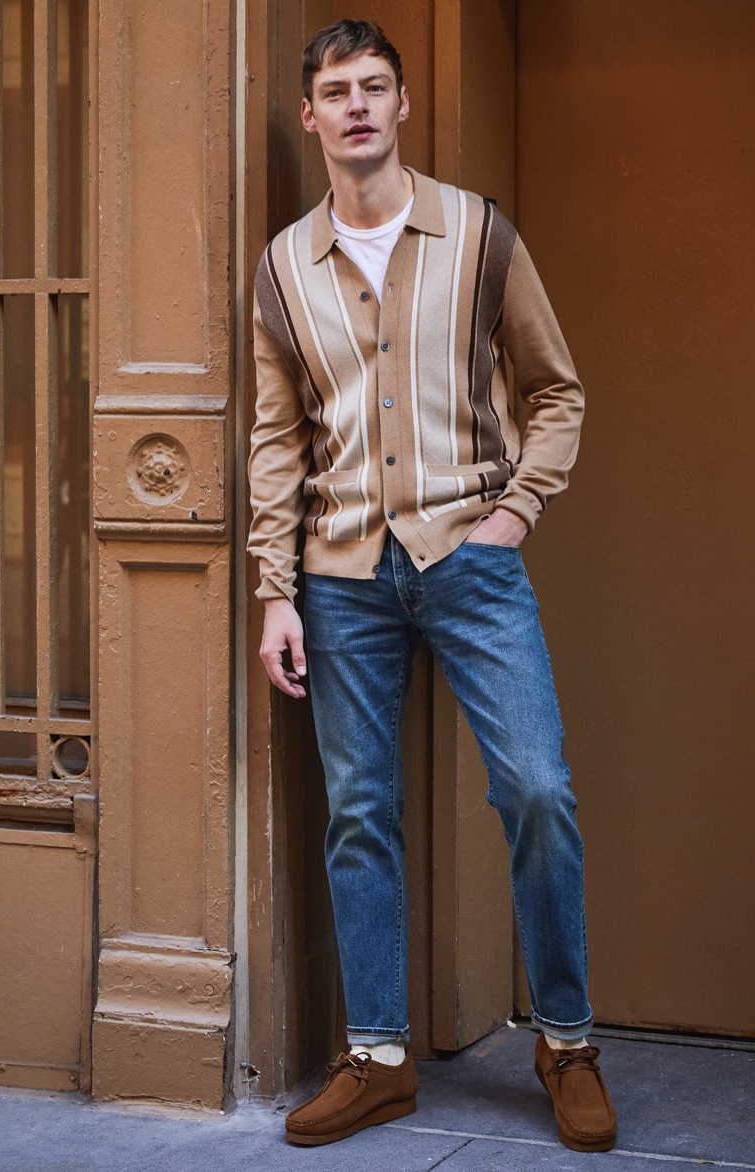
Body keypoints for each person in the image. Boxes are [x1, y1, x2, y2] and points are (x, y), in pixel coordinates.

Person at [247, 18, 617, 1154]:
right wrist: (275, 588)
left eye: (374, 87)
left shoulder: (478, 235)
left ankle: (564, 1041)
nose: (355, 105)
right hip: (340, 575)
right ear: (308, 116)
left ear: (401, 106)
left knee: (538, 791)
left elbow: (554, 389)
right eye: (333, 91)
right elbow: (277, 435)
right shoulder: (280, 267)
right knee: (359, 814)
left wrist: (514, 512)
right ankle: (378, 1059)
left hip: (470, 557)